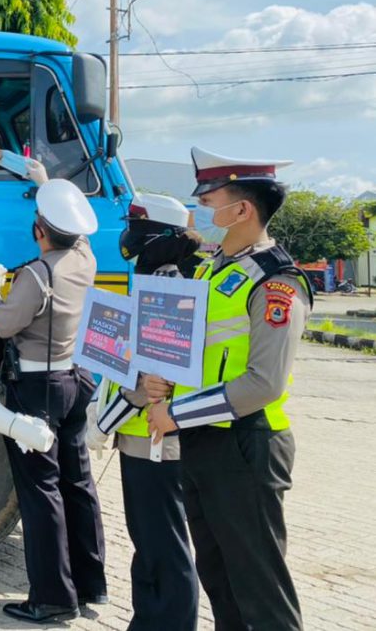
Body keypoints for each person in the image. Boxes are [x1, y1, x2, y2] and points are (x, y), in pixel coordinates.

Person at [147, 148, 311, 631]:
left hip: (248, 443)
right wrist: (164, 380)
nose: (200, 209)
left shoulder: (276, 282)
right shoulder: (213, 268)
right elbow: (202, 351)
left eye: (208, 199)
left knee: (260, 588)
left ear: (242, 209)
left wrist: (176, 413)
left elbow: (263, 382)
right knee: (219, 579)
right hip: (207, 441)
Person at [0, 177, 106, 624]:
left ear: (40, 230)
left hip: (38, 388)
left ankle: (52, 598)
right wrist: (47, 185)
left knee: (41, 493)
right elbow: (80, 233)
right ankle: (92, 585)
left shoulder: (38, 274)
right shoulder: (83, 260)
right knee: (77, 483)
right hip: (76, 381)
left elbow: (5, 324)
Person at [90, 193, 202, 631]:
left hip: (160, 436)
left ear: (162, 235)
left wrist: (114, 414)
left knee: (165, 546)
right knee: (149, 543)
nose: (130, 237)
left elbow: (163, 372)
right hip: (139, 433)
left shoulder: (172, 283)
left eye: (139, 228)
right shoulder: (153, 279)